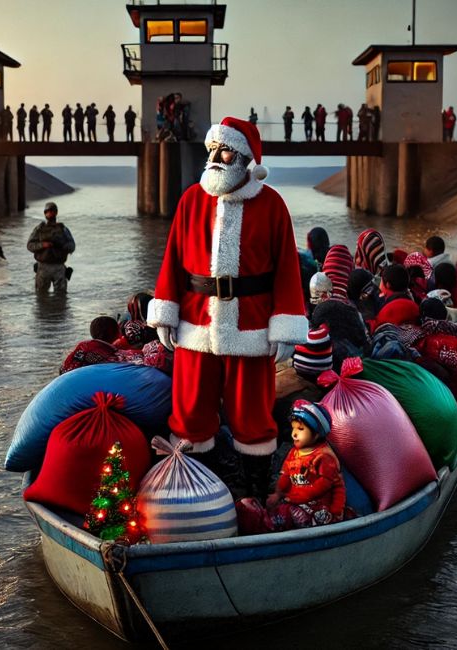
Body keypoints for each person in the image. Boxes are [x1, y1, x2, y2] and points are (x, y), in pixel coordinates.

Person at [146, 116, 308, 499]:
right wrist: (165, 312)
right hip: (195, 323)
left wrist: (285, 327)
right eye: (212, 151)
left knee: (253, 415)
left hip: (250, 327)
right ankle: (192, 485)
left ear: (246, 157)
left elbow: (287, 269)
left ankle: (252, 487)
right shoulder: (190, 200)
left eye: (225, 151)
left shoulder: (272, 205)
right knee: (189, 412)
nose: (215, 158)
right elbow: (172, 260)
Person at [235, 400, 345, 534]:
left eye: (300, 429)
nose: (294, 434)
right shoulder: (295, 452)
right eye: (293, 428)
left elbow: (326, 486)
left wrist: (336, 512)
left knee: (289, 515)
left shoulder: (324, 457)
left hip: (317, 507)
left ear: (316, 434)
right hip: (294, 502)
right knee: (279, 511)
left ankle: (264, 525)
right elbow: (286, 475)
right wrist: (277, 494)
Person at [27, 202, 75, 293]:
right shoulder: (39, 229)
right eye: (48, 211)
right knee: (41, 297)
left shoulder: (63, 229)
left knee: (61, 297)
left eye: (52, 211)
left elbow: (72, 246)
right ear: (45, 213)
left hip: (59, 267)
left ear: (56, 213)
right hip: (43, 267)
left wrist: (62, 246)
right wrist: (42, 245)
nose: (50, 213)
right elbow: (29, 245)